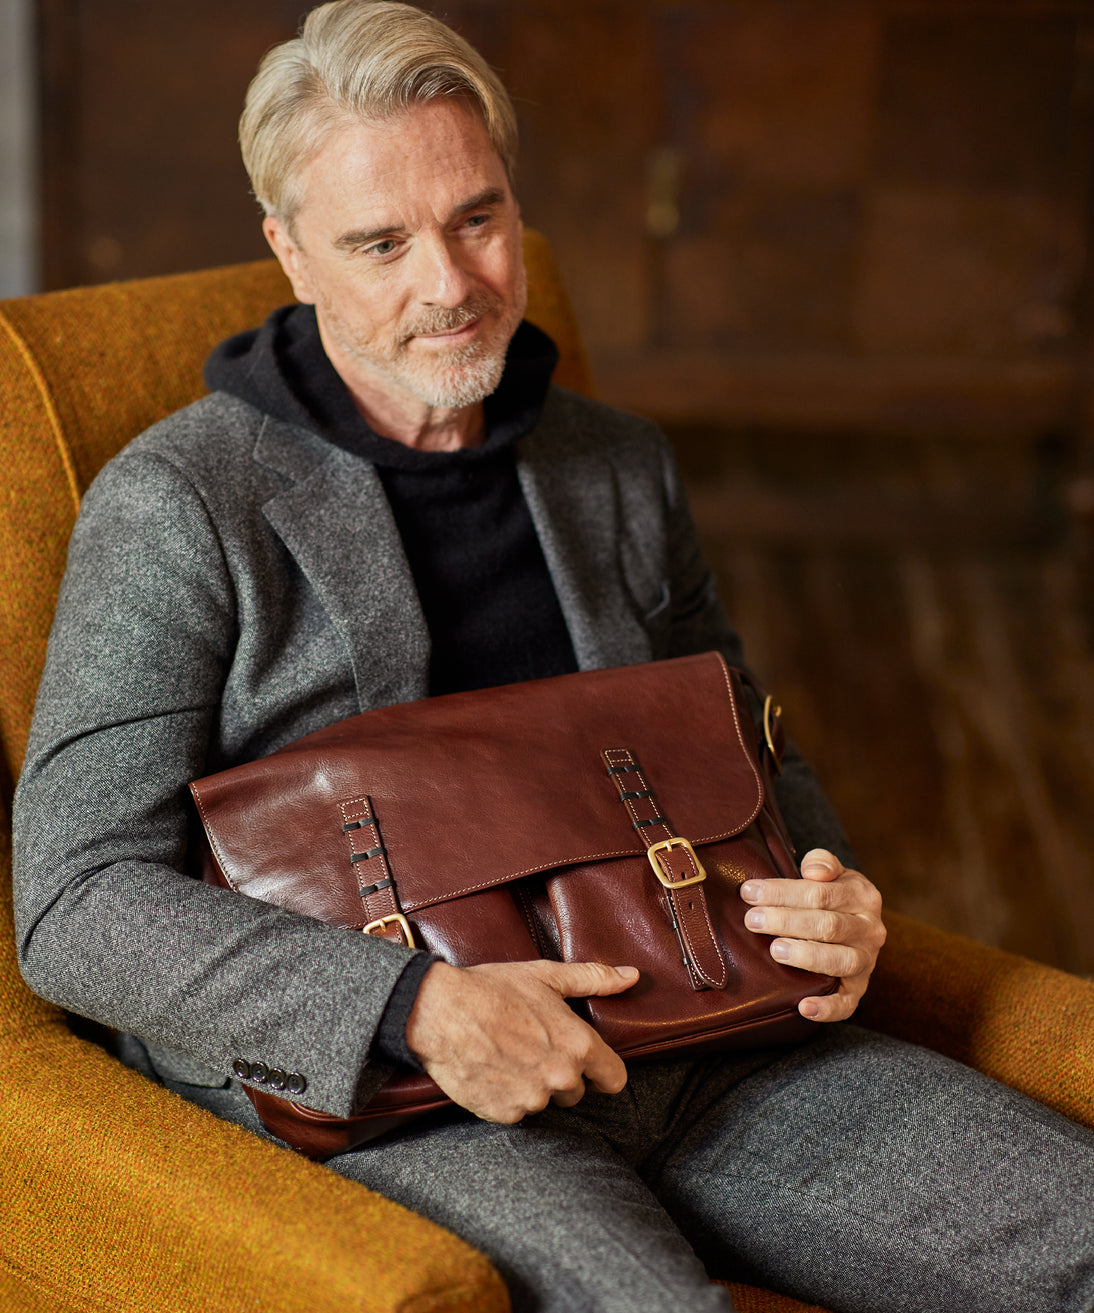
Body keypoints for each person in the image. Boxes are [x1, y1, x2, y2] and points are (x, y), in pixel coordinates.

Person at [12, 3, 1094, 1311]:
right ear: (290, 252)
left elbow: (747, 744)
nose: (450, 284)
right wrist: (415, 1006)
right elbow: (74, 899)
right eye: (380, 243)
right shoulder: (180, 503)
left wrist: (828, 891)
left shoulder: (617, 465)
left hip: (704, 1023)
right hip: (407, 1088)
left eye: (476, 218)